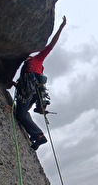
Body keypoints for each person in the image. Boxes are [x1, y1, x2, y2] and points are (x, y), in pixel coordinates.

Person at [14, 16, 66, 150]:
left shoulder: (37, 59)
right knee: (23, 112)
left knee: (20, 113)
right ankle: (37, 137)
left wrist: (61, 28)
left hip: (29, 86)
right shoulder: (34, 67)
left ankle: (39, 136)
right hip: (34, 89)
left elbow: (50, 46)